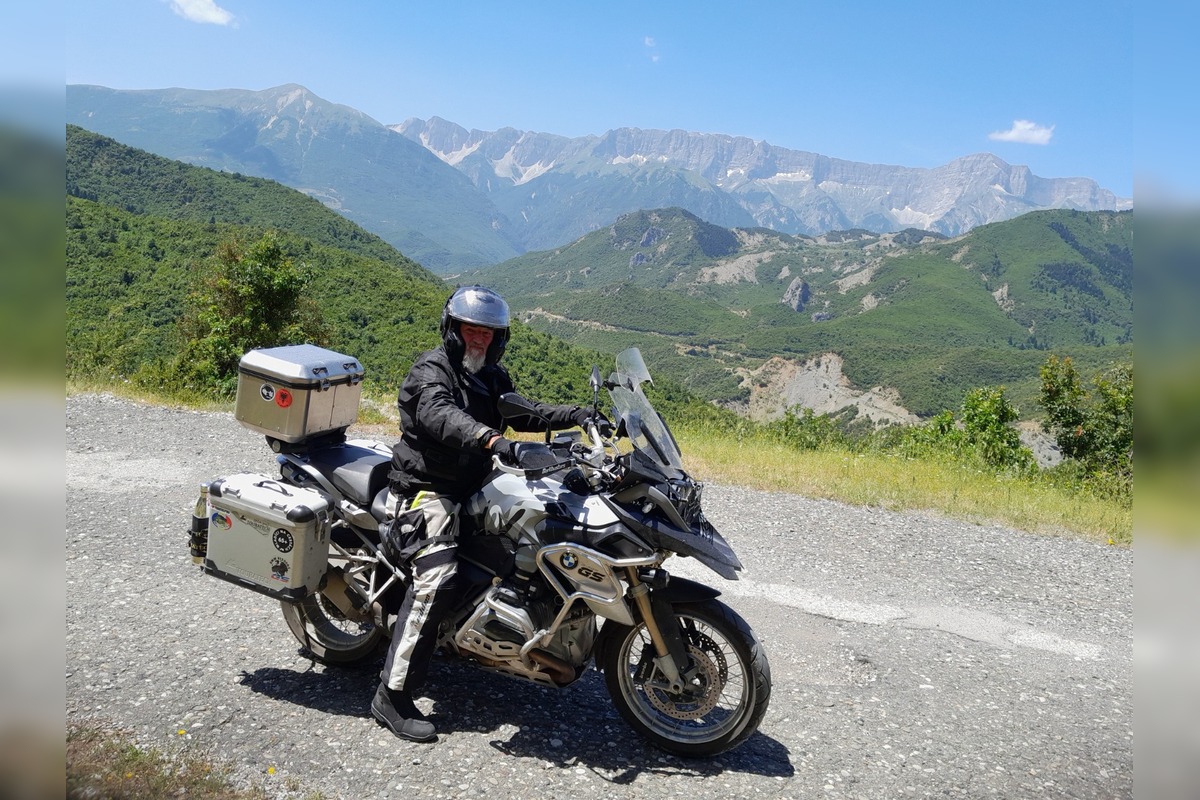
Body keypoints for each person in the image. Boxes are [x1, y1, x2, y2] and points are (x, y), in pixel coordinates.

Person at [372, 285, 602, 742]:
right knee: (436, 578)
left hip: (474, 484)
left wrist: (580, 415)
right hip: (425, 491)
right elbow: (441, 416)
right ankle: (391, 694)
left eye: (488, 335)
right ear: (453, 330)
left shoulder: (491, 377)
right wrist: (494, 441)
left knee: (543, 524)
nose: (479, 341)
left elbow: (524, 412)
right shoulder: (431, 370)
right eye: (471, 331)